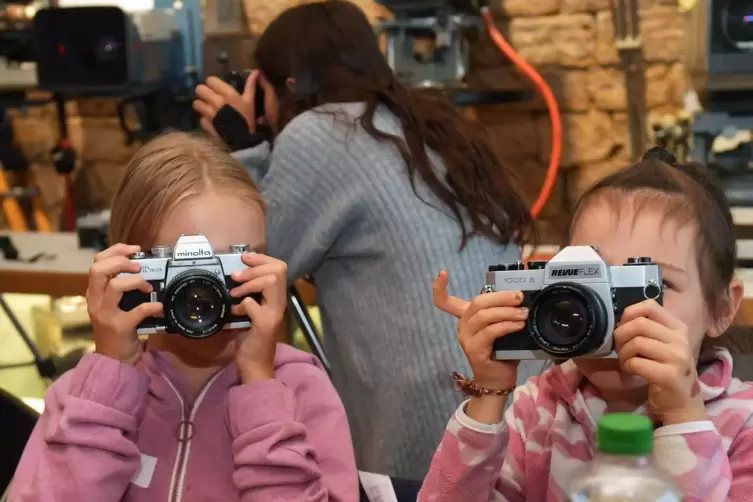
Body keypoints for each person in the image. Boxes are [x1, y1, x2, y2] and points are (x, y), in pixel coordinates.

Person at [191, 0, 543, 480]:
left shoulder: (320, 133)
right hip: (512, 399)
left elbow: (255, 264)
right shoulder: (430, 123)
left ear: (287, 86)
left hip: (428, 417)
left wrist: (242, 144)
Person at [8, 132, 358, 502]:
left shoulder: (302, 390)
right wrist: (108, 388)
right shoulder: (82, 399)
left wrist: (260, 388)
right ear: (131, 269)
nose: (204, 292)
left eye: (228, 266)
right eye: (182, 270)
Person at [419, 148, 753, 501]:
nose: (609, 311)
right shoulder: (539, 410)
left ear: (721, 308)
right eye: (592, 283)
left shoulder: (741, 424)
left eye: (654, 286)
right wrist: (489, 393)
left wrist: (683, 417)